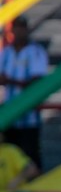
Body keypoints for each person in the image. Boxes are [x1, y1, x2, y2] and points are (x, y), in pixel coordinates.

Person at [0, 17, 49, 168]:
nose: (19, 31)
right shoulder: (6, 52)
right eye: (16, 27)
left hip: (29, 116)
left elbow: (36, 81)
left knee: (30, 155)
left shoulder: (36, 52)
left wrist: (11, 81)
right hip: (10, 115)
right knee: (10, 155)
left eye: (22, 27)